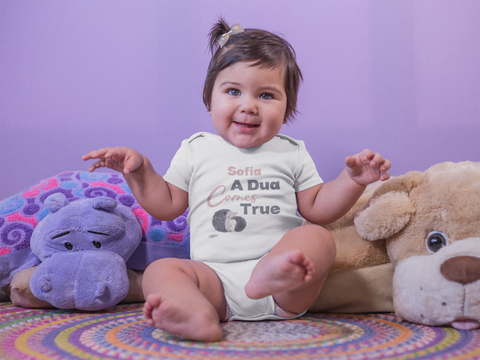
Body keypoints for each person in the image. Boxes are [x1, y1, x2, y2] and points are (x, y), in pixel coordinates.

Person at [82, 18, 391, 342]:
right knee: (160, 272)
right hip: (213, 281)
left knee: (318, 236)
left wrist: (352, 180)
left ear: (287, 108)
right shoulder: (196, 149)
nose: (248, 106)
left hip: (285, 286)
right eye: (233, 91)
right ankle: (194, 312)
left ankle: (269, 271)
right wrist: (140, 170)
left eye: (267, 95)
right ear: (209, 98)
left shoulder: (290, 152)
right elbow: (166, 205)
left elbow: (317, 208)